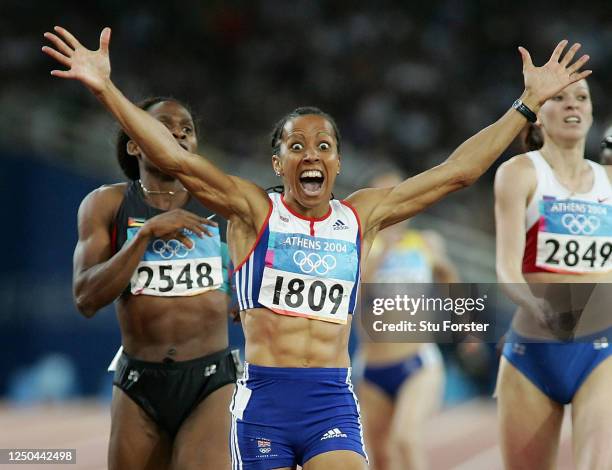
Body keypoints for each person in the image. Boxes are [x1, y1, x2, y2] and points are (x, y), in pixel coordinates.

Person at [43, 26, 590, 470]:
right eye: (296, 146)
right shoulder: (254, 208)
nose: (312, 154)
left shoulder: (362, 216)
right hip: (262, 405)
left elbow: (456, 173)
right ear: (279, 164)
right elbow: (179, 160)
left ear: (337, 164)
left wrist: (525, 104)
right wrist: (106, 91)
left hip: (330, 398)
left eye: (324, 146)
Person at [70, 94, 237, 470]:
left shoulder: (223, 203)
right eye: (164, 127)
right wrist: (145, 235)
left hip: (210, 382)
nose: (177, 135)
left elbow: (249, 280)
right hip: (139, 384)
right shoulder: (106, 205)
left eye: (187, 130)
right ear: (135, 142)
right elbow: (85, 298)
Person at [495, 78, 612, 469]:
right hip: (533, 352)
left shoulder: (608, 182)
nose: (571, 106)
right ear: (538, 116)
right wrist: (532, 302)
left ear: (592, 112)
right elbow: (507, 268)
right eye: (558, 99)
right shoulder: (520, 173)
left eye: (581, 98)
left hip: (602, 349)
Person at [357, 173, 458, 470]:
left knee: (406, 438)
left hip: (417, 363)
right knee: (381, 456)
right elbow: (355, 293)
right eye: (382, 196)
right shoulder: (361, 246)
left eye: (396, 195)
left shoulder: (425, 242)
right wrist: (384, 244)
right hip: (372, 367)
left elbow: (449, 280)